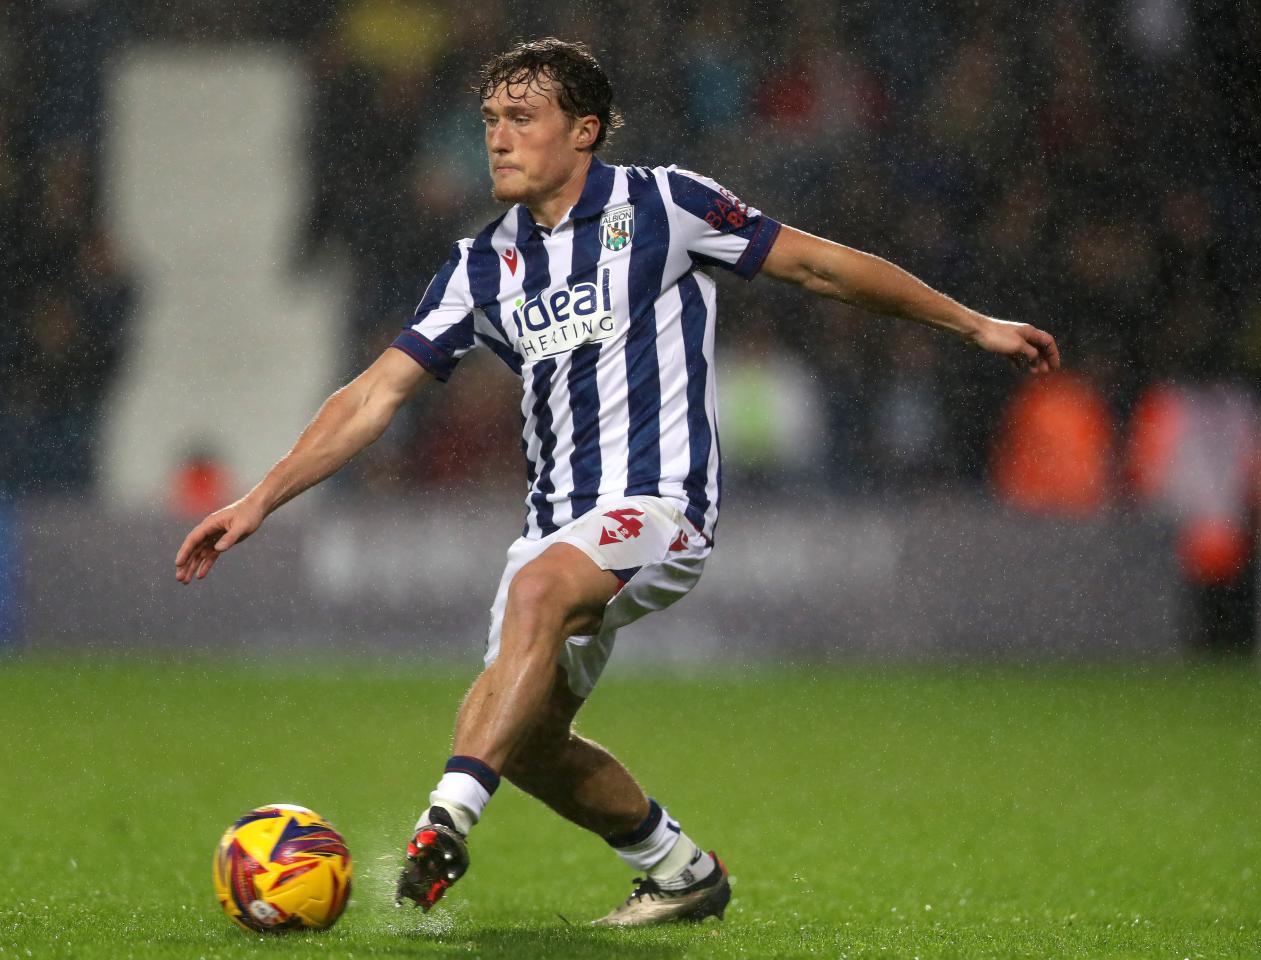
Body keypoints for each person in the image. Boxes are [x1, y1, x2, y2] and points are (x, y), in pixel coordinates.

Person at [175, 38, 1059, 926]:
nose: (498, 139)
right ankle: (680, 870)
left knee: (538, 591)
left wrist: (970, 323)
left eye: (522, 118)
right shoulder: (482, 265)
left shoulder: (665, 205)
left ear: (584, 130)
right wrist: (259, 498)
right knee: (525, 741)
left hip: (659, 507)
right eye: (490, 121)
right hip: (554, 524)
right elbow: (374, 395)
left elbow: (818, 264)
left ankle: (442, 824)